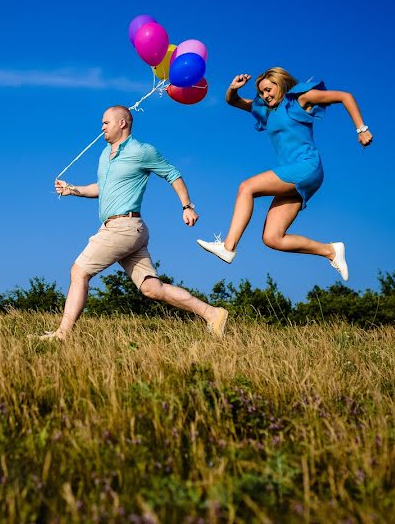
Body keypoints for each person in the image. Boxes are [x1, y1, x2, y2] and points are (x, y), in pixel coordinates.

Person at [43, 105, 229, 340]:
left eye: (105, 122)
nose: (101, 127)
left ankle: (62, 334)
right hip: (125, 230)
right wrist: (73, 190)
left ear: (122, 123)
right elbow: (103, 188)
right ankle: (213, 314)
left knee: (79, 271)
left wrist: (187, 206)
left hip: (124, 228)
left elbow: (172, 174)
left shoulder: (142, 151)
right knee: (153, 289)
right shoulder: (104, 154)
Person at [196, 68, 373, 281]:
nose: (265, 95)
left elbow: (345, 96)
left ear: (281, 85)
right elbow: (233, 101)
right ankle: (331, 251)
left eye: (268, 90)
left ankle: (228, 246)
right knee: (273, 238)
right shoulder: (267, 111)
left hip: (306, 167)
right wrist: (233, 89)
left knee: (247, 187)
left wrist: (361, 129)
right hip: (295, 174)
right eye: (261, 93)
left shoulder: (300, 99)